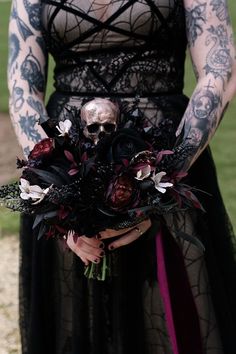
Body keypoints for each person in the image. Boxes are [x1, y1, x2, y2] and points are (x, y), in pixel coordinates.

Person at [8, 0, 236, 353]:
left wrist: (159, 183)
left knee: (177, 313)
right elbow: (23, 84)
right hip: (65, 165)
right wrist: (58, 193)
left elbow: (219, 71)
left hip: (169, 162)